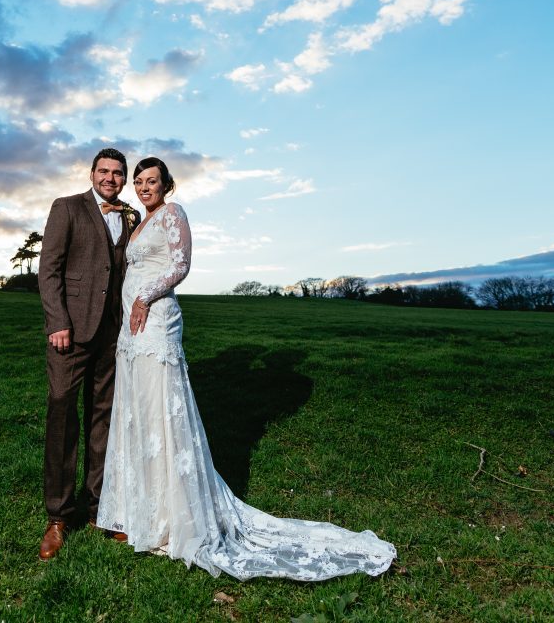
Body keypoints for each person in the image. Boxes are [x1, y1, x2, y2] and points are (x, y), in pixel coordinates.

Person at [95, 157, 396, 580]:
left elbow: (180, 265)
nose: (144, 187)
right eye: (139, 182)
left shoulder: (173, 215)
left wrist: (144, 297)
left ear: (167, 185)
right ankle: (140, 513)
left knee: (161, 412)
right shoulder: (139, 222)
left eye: (152, 181)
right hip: (131, 328)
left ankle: (172, 517)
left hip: (156, 320)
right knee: (139, 414)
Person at [36, 148, 135, 560]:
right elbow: (49, 268)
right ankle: (58, 516)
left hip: (112, 335)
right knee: (62, 412)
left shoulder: (129, 216)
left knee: (103, 419)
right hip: (70, 333)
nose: (110, 178)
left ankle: (100, 508)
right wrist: (58, 322)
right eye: (104, 171)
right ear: (92, 173)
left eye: (117, 173)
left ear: (124, 178)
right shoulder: (67, 208)